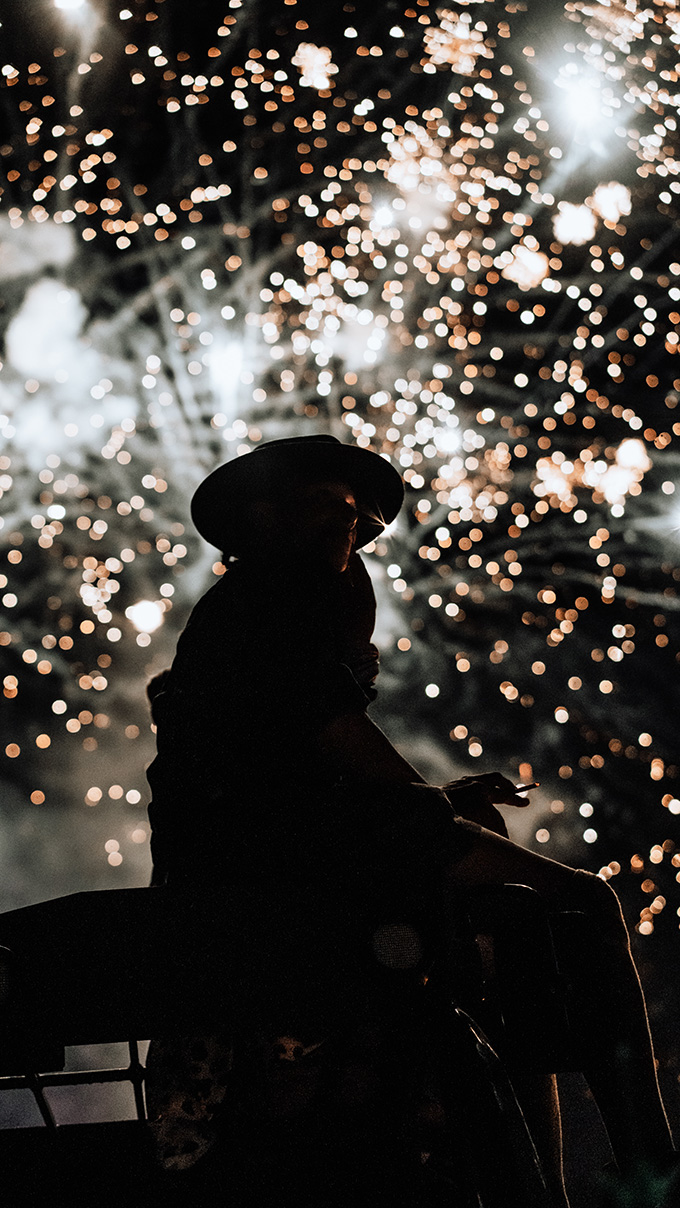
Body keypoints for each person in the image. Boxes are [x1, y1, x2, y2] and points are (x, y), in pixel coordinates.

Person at [145, 434, 676, 1205]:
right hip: (289, 865)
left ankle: (550, 1180)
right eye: (327, 507)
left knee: (513, 918)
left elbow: (298, 753)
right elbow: (327, 728)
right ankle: (647, 1166)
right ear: (262, 516)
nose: (348, 528)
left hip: (281, 853)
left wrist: (437, 798)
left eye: (355, 518)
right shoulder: (271, 598)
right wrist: (425, 799)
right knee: (583, 903)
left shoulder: (248, 604)